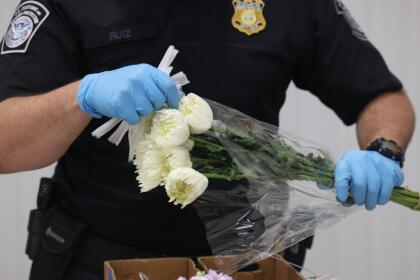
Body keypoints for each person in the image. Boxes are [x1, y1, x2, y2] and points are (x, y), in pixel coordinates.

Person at [0, 0, 415, 279]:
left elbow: (381, 96)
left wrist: (382, 151)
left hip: (246, 263)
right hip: (95, 262)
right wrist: (82, 97)